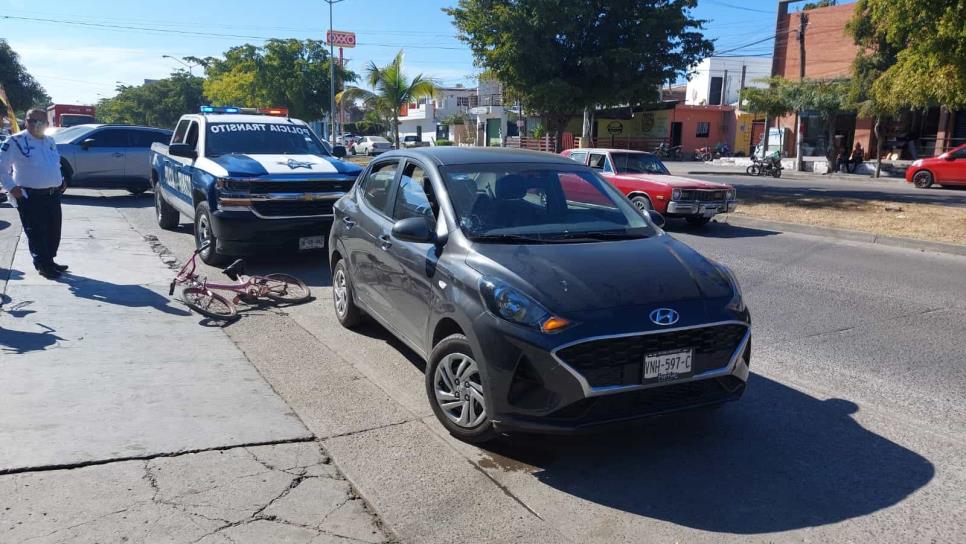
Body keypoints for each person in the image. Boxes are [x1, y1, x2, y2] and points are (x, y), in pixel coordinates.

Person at [0, 108, 67, 279]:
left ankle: (49, 261)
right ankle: (42, 264)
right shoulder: (15, 141)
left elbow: (55, 163)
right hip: (29, 195)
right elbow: (1, 168)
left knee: (53, 230)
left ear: (47, 123)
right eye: (32, 120)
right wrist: (12, 188)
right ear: (26, 122)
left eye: (41, 121)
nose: (36, 124)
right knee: (37, 232)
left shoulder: (50, 141)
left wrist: (60, 180)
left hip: (52, 194)